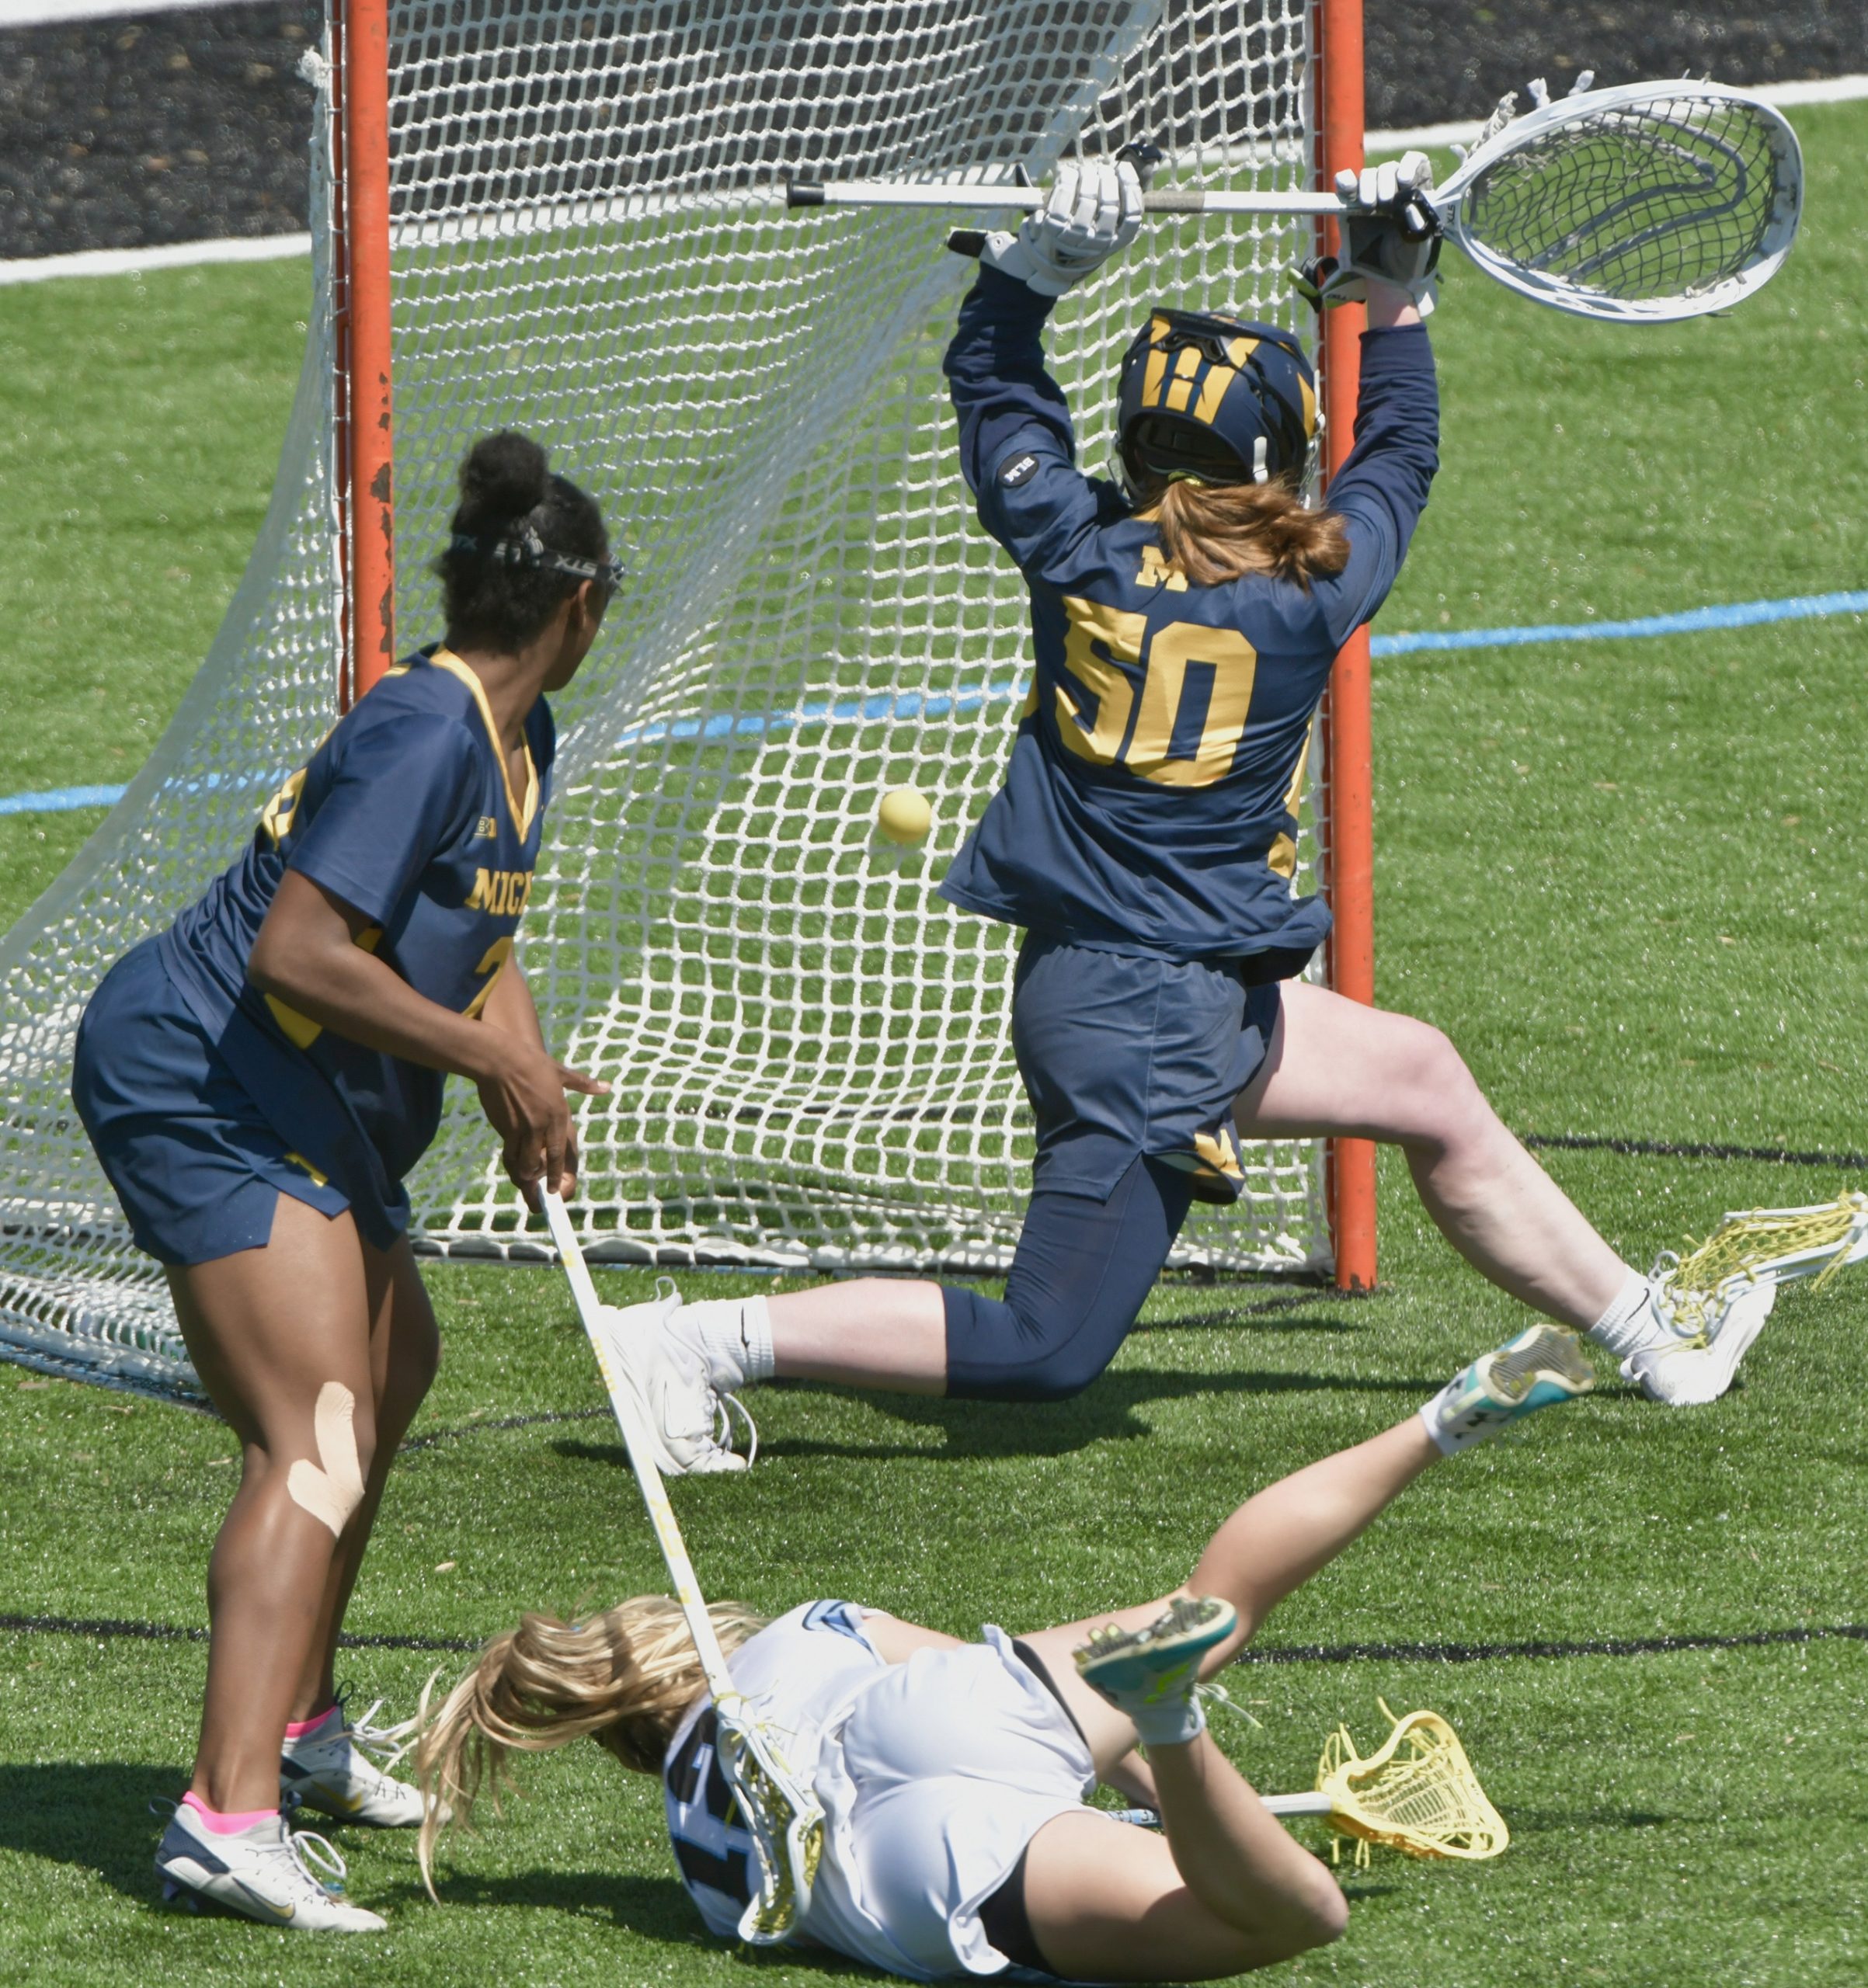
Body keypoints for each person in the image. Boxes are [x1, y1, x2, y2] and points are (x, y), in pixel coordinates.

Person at [599, 155, 1770, 1475]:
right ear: (1276, 456)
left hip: (1130, 987)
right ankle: (694, 1342)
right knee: (1045, 1343)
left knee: (1422, 1079)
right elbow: (1398, 456)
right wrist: (1390, 295)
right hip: (1154, 1019)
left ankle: (1651, 1339)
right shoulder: (1306, 594)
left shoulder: (1068, 545)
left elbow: (996, 390)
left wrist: (1031, 271)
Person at [69, 431, 618, 1931]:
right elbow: (296, 953)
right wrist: (490, 1067)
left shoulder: (519, 739)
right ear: (578, 607)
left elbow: (477, 931)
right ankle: (224, 1815)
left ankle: (300, 1732)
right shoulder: (418, 728)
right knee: (312, 1432)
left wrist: (530, 1074)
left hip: (289, 1088)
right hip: (198, 1072)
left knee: (396, 1363)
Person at [414, 1320, 1592, 1976]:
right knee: (1211, 1604)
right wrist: (1139, 1758)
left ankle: (1177, 1722)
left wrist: (1161, 1790)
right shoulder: (787, 1638)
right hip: (923, 1722)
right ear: (677, 1649)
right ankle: (1441, 1421)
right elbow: (976, 1688)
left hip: (895, 1865)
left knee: (1293, 1913)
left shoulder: (690, 1851)